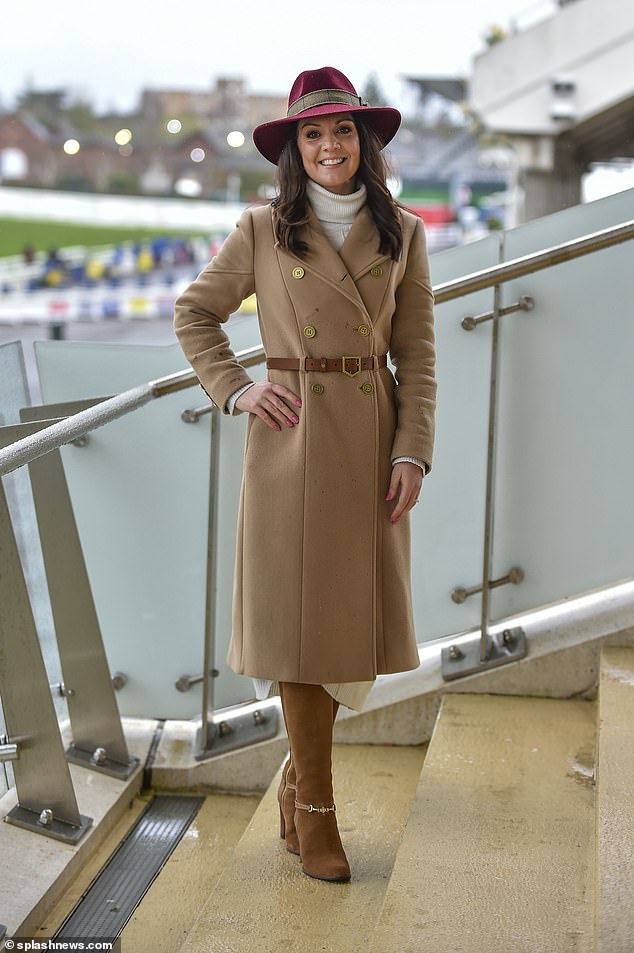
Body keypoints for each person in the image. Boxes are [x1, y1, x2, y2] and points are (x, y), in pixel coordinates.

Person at [173, 66, 436, 883]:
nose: (330, 145)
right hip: (291, 443)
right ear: (294, 149)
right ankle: (317, 806)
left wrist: (411, 448)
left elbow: (418, 352)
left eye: (344, 131)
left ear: (366, 142)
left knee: (345, 626)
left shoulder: (406, 231)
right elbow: (195, 312)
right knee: (299, 625)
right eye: (314, 134)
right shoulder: (262, 228)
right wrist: (238, 387)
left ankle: (295, 781)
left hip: (368, 440)